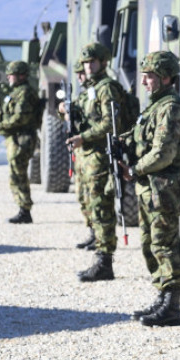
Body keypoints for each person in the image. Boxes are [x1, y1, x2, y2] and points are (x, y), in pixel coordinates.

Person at [120, 51, 180, 327]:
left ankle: (172, 306)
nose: (144, 81)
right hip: (149, 187)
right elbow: (141, 137)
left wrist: (135, 169)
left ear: (165, 77)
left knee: (165, 244)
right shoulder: (154, 107)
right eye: (144, 76)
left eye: (149, 76)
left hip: (163, 188)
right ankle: (162, 295)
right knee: (150, 244)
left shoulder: (170, 108)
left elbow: (164, 153)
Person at [66, 42, 127, 281]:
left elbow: (111, 123)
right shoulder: (89, 89)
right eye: (85, 63)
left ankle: (105, 262)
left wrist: (84, 137)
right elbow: (84, 117)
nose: (88, 67)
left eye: (92, 62)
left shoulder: (106, 88)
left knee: (102, 208)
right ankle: (99, 254)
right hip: (86, 156)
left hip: (99, 157)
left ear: (103, 62)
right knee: (91, 205)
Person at [0, 60, 41, 223]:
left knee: (18, 173)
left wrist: (1, 126)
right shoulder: (14, 92)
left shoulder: (25, 92)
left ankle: (25, 209)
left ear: (21, 75)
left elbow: (21, 117)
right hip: (15, 137)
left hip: (23, 137)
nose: (8, 77)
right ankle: (22, 207)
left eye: (11, 74)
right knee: (15, 174)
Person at [62, 59, 96, 250]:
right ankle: (92, 232)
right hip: (83, 154)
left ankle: (101, 240)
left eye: (81, 73)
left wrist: (83, 137)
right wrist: (63, 111)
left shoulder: (100, 90)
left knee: (95, 199)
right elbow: (74, 115)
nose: (80, 77)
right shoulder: (84, 95)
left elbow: (105, 124)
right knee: (83, 197)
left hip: (94, 154)